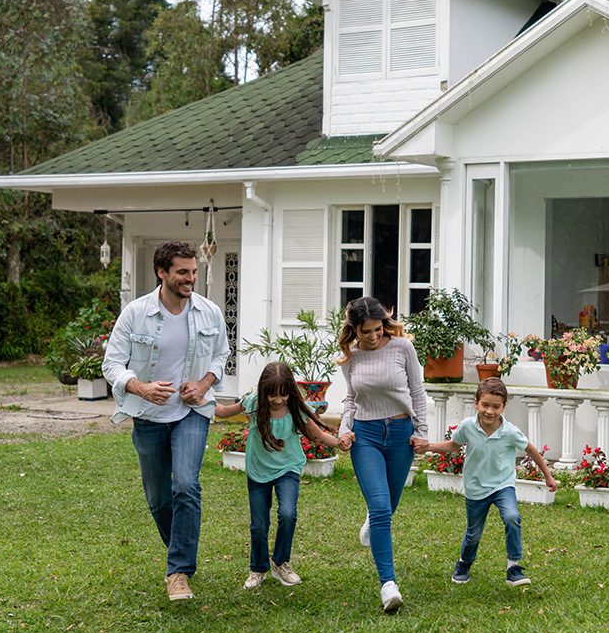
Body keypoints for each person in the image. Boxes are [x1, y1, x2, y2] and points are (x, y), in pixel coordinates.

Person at [102, 240, 228, 602]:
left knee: (186, 485)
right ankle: (181, 549)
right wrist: (140, 387)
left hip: (192, 412)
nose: (191, 279)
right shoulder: (136, 313)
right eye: (183, 272)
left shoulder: (209, 312)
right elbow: (111, 364)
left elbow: (221, 356)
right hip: (148, 416)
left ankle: (178, 571)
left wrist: (203, 384)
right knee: (159, 499)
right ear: (162, 272)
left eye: (193, 272)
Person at [216, 361, 352, 589]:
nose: (277, 400)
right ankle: (258, 568)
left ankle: (281, 563)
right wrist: (201, 400)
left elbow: (317, 435)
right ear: (263, 391)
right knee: (259, 524)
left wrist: (339, 443)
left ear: (290, 391)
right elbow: (222, 412)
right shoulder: (254, 403)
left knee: (288, 513)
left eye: (282, 395)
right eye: (272, 395)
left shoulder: (296, 409)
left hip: (287, 469)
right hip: (258, 471)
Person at [413, 377, 556, 587]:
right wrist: (428, 447)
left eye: (496, 407)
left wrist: (548, 475)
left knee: (512, 516)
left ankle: (513, 567)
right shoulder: (468, 427)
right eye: (485, 405)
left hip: (502, 485)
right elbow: (453, 445)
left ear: (503, 407)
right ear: (476, 403)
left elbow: (531, 450)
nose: (490, 411)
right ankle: (464, 563)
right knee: (473, 533)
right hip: (476, 487)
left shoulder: (510, 432)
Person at [337, 296, 427, 613]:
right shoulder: (351, 357)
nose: (373, 337)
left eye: (377, 330)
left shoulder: (403, 348)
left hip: (401, 434)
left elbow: (417, 392)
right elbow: (350, 399)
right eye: (365, 332)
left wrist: (422, 431)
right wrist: (343, 429)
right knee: (380, 507)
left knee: (388, 508)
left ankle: (374, 520)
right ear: (354, 330)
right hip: (366, 436)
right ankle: (388, 585)